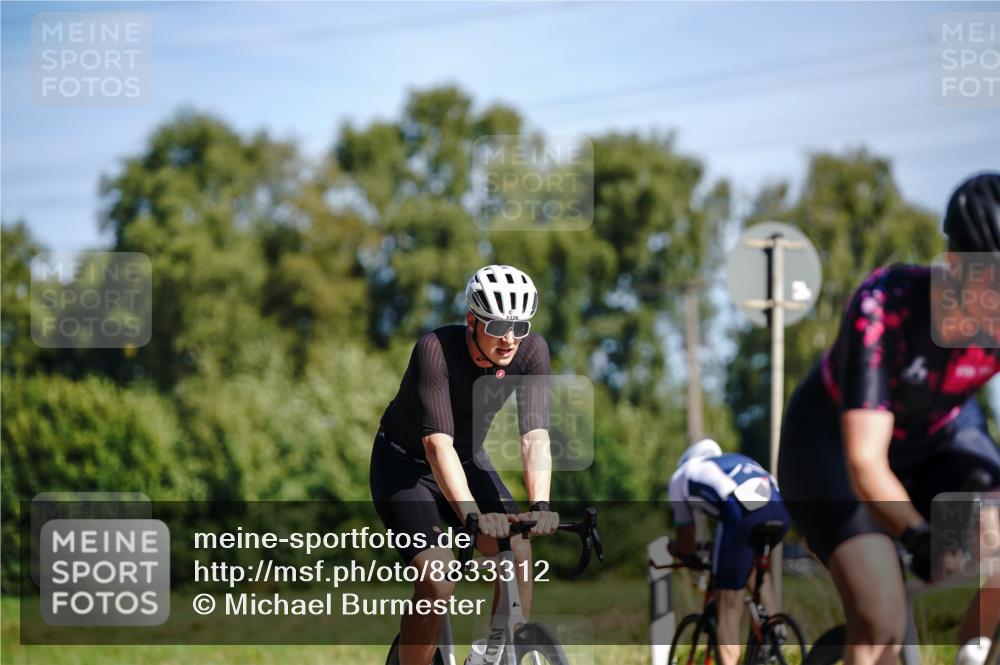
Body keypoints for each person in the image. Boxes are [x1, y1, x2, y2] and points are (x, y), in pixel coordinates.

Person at [778, 172, 1000, 665]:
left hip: (938, 439)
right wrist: (916, 535)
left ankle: (973, 653)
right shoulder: (888, 304)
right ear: (956, 265)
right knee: (881, 622)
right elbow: (865, 461)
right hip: (831, 448)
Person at [370, 264, 557, 665]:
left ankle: (493, 656)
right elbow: (437, 446)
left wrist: (540, 505)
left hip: (468, 460)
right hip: (404, 468)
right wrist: (472, 516)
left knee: (518, 553)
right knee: (438, 579)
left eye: (519, 327)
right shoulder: (434, 350)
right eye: (497, 326)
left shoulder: (532, 352)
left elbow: (534, 435)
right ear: (472, 321)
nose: (510, 338)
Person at [668, 438, 790, 665]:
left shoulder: (681, 476)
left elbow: (686, 543)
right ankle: (775, 628)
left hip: (741, 510)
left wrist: (678, 550)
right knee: (752, 567)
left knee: (728, 607)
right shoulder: (735, 460)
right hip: (780, 509)